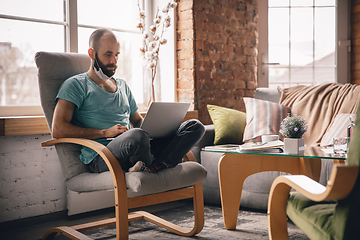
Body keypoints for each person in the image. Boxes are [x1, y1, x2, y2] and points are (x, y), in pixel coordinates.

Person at [52, 28, 205, 173]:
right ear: (92, 53)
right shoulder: (75, 85)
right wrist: (105, 132)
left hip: (137, 147)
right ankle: (156, 162)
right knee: (137, 136)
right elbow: (58, 129)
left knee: (195, 126)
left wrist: (161, 129)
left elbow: (138, 121)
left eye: (117, 55)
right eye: (108, 54)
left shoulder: (123, 86)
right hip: (103, 156)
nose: (114, 61)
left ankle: (156, 165)